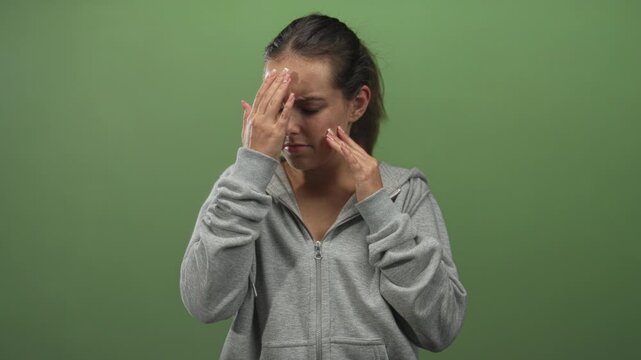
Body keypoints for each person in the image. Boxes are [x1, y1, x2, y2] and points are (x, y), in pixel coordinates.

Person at [179, 13, 467, 360]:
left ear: (357, 103)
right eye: (277, 105)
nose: (288, 126)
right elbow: (204, 304)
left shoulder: (403, 194)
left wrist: (381, 213)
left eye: (309, 107)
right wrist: (250, 171)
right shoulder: (244, 192)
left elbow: (441, 327)